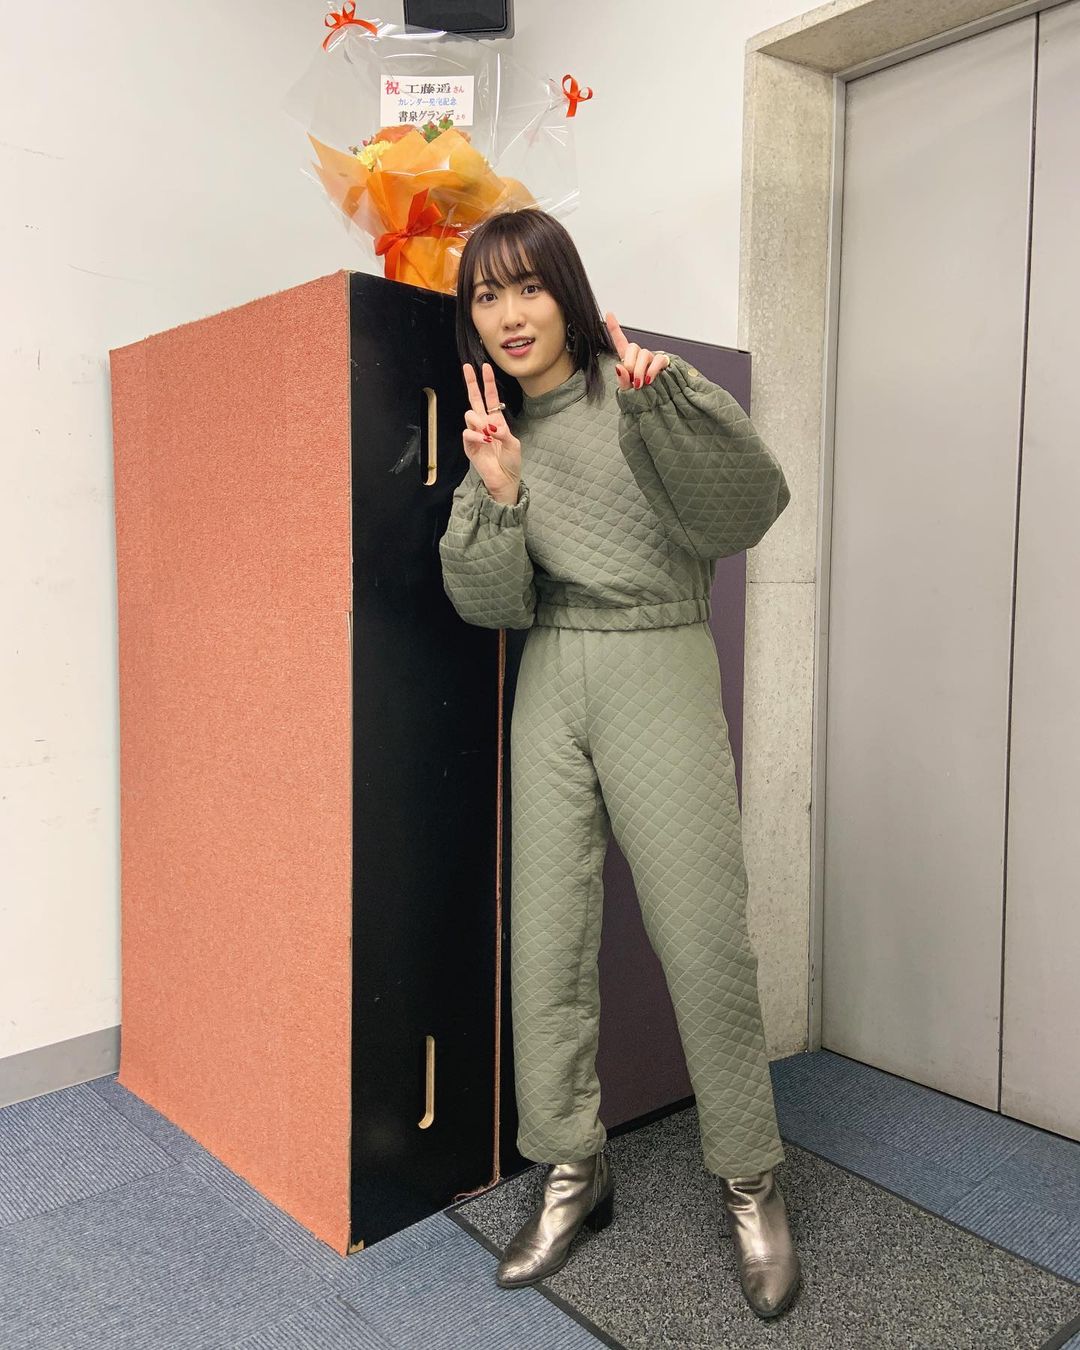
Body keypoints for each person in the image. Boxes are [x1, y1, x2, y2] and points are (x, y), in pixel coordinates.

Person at [438, 207, 800, 1320]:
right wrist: (501, 492)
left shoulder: (640, 392)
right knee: (545, 935)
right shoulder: (497, 436)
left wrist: (671, 408)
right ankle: (571, 1167)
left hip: (658, 658)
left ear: (568, 292)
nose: (510, 315)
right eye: (486, 296)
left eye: (528, 287)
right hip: (552, 673)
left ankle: (750, 1178)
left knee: (702, 931)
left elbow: (747, 512)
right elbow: (491, 605)